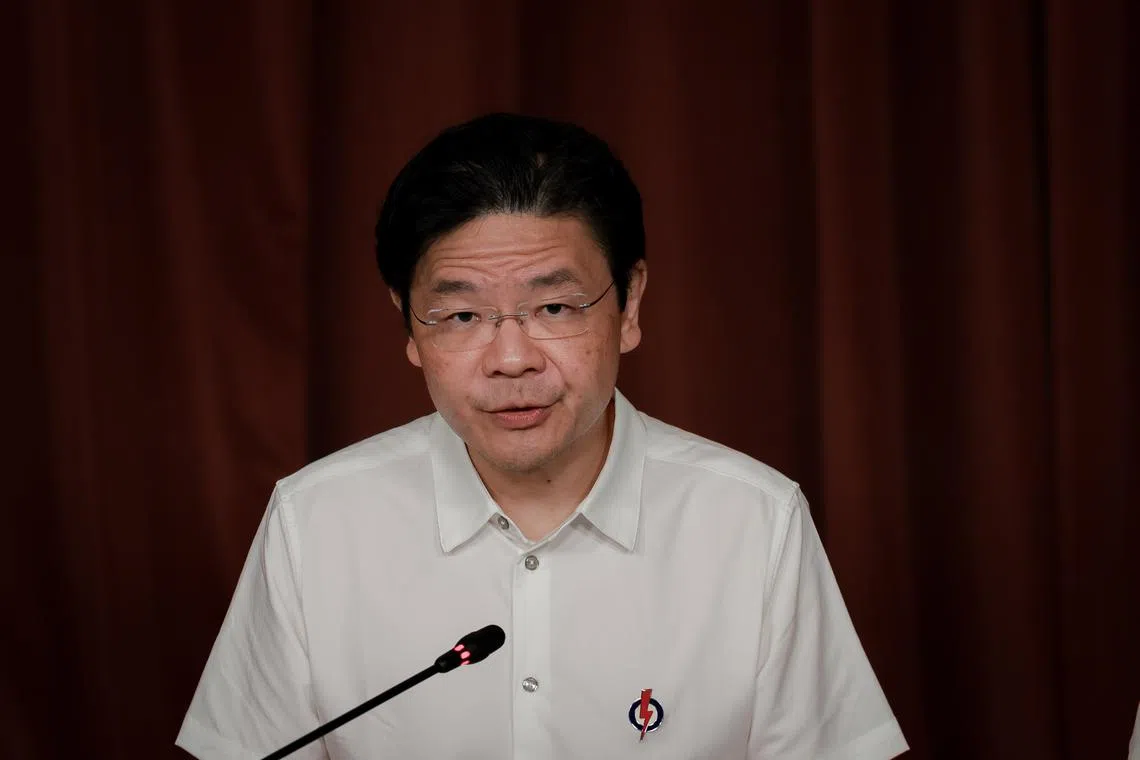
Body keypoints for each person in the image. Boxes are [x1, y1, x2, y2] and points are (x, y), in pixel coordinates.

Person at [177, 113, 909, 759]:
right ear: (408, 325)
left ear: (629, 304)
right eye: (462, 316)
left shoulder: (753, 521)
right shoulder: (315, 522)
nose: (511, 359)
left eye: (554, 307)